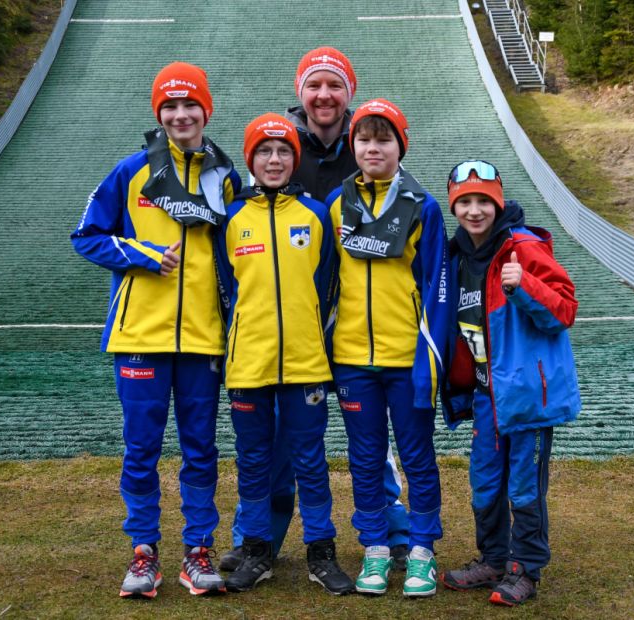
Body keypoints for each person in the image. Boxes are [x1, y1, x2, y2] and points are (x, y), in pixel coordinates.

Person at [221, 46, 411, 573]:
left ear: (348, 92)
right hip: (288, 317)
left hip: (354, 318)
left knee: (372, 436)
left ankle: (392, 531)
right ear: (300, 92)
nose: (324, 95)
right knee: (276, 440)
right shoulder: (278, 142)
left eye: (334, 85)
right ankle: (259, 539)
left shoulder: (370, 139)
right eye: (314, 86)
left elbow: (408, 206)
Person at [70, 62, 241, 600]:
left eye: (190, 104)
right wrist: (142, 255)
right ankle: (143, 554)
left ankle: (198, 551)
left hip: (202, 338)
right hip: (139, 336)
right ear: (158, 114)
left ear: (205, 110)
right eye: (169, 106)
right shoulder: (129, 171)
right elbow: (86, 235)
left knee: (200, 449)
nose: (180, 114)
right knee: (141, 449)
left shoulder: (225, 175)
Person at [215, 113, 354, 595]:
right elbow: (225, 287)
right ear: (250, 159)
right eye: (264, 152)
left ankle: (321, 552)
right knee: (252, 460)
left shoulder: (315, 215)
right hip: (249, 364)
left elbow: (328, 284)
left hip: (305, 362)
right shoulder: (231, 218)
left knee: (310, 460)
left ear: (295, 160)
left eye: (283, 152)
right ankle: (257, 551)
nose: (274, 160)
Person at [437, 160, 581, 606]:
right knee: (483, 483)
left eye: (484, 201)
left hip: (525, 397)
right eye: (465, 202)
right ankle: (493, 559)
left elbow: (565, 311)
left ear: (498, 203)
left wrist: (524, 287)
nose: (475, 211)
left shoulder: (523, 246)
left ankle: (525, 569)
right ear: (454, 206)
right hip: (485, 396)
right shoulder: (454, 255)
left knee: (523, 487)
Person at [327, 99, 451, 598]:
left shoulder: (424, 207)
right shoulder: (338, 205)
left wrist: (429, 359)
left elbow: (437, 288)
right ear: (352, 146)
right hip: (352, 359)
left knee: (418, 457)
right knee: (365, 457)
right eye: (363, 139)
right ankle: (375, 549)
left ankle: (421, 551)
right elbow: (326, 284)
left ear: (402, 144)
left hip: (407, 359)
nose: (372, 148)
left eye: (383, 139)